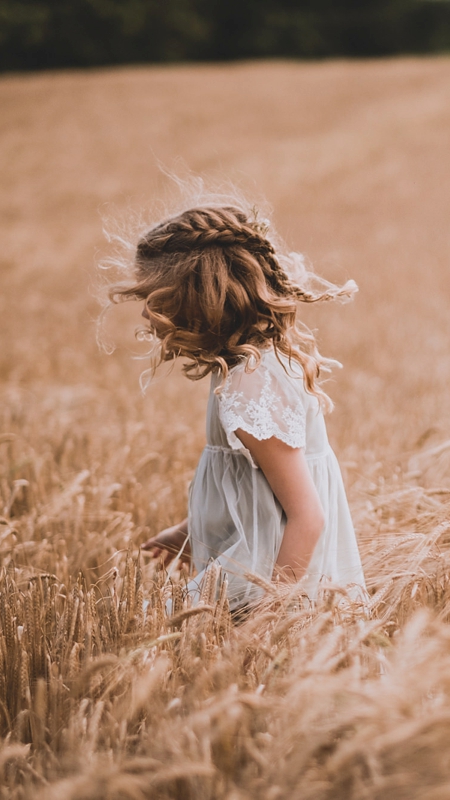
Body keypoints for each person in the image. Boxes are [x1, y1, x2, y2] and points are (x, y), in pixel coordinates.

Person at [107, 199, 364, 611]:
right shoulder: (244, 370)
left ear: (196, 300)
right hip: (257, 565)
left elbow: (307, 517)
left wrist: (270, 619)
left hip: (266, 578)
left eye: (152, 297)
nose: (144, 311)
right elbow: (252, 491)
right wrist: (188, 534)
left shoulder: (251, 385)